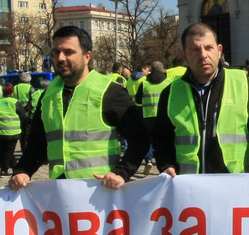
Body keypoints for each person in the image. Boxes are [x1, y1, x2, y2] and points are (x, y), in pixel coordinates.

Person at [9, 26, 149, 191]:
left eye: (68, 52)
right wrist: (23, 171)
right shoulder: (48, 95)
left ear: (87, 56)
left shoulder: (109, 91)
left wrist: (121, 172)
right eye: (56, 53)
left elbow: (140, 139)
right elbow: (37, 143)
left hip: (101, 192)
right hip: (60, 193)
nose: (60, 58)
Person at [151, 22, 249, 177]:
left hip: (235, 185)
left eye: (209, 48)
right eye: (195, 50)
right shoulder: (171, 92)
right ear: (184, 56)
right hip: (189, 187)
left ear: (219, 50)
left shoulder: (242, 83)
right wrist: (166, 164)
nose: (203, 55)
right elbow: (162, 138)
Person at [135, 60, 172, 175]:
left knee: (149, 141)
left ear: (151, 70)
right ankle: (164, 166)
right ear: (162, 70)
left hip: (148, 116)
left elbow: (138, 100)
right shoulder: (169, 82)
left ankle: (149, 160)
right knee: (164, 140)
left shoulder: (144, 83)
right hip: (165, 117)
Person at [0, 83, 28, 177]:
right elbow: (23, 116)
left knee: (5, 149)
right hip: (12, 131)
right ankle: (4, 169)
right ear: (12, 92)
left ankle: (15, 167)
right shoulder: (15, 102)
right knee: (9, 151)